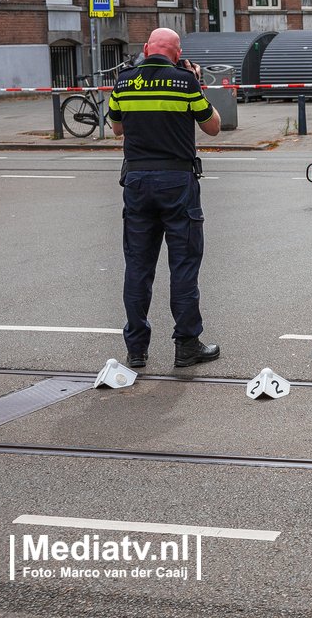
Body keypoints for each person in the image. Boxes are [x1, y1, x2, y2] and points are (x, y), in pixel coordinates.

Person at [108, 28, 222, 368]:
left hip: (137, 182)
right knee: (183, 264)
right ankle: (187, 345)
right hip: (177, 182)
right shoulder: (184, 82)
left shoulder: (124, 82)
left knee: (138, 267)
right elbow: (213, 126)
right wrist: (197, 83)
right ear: (177, 54)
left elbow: (116, 128)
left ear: (146, 49)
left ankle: (136, 350)